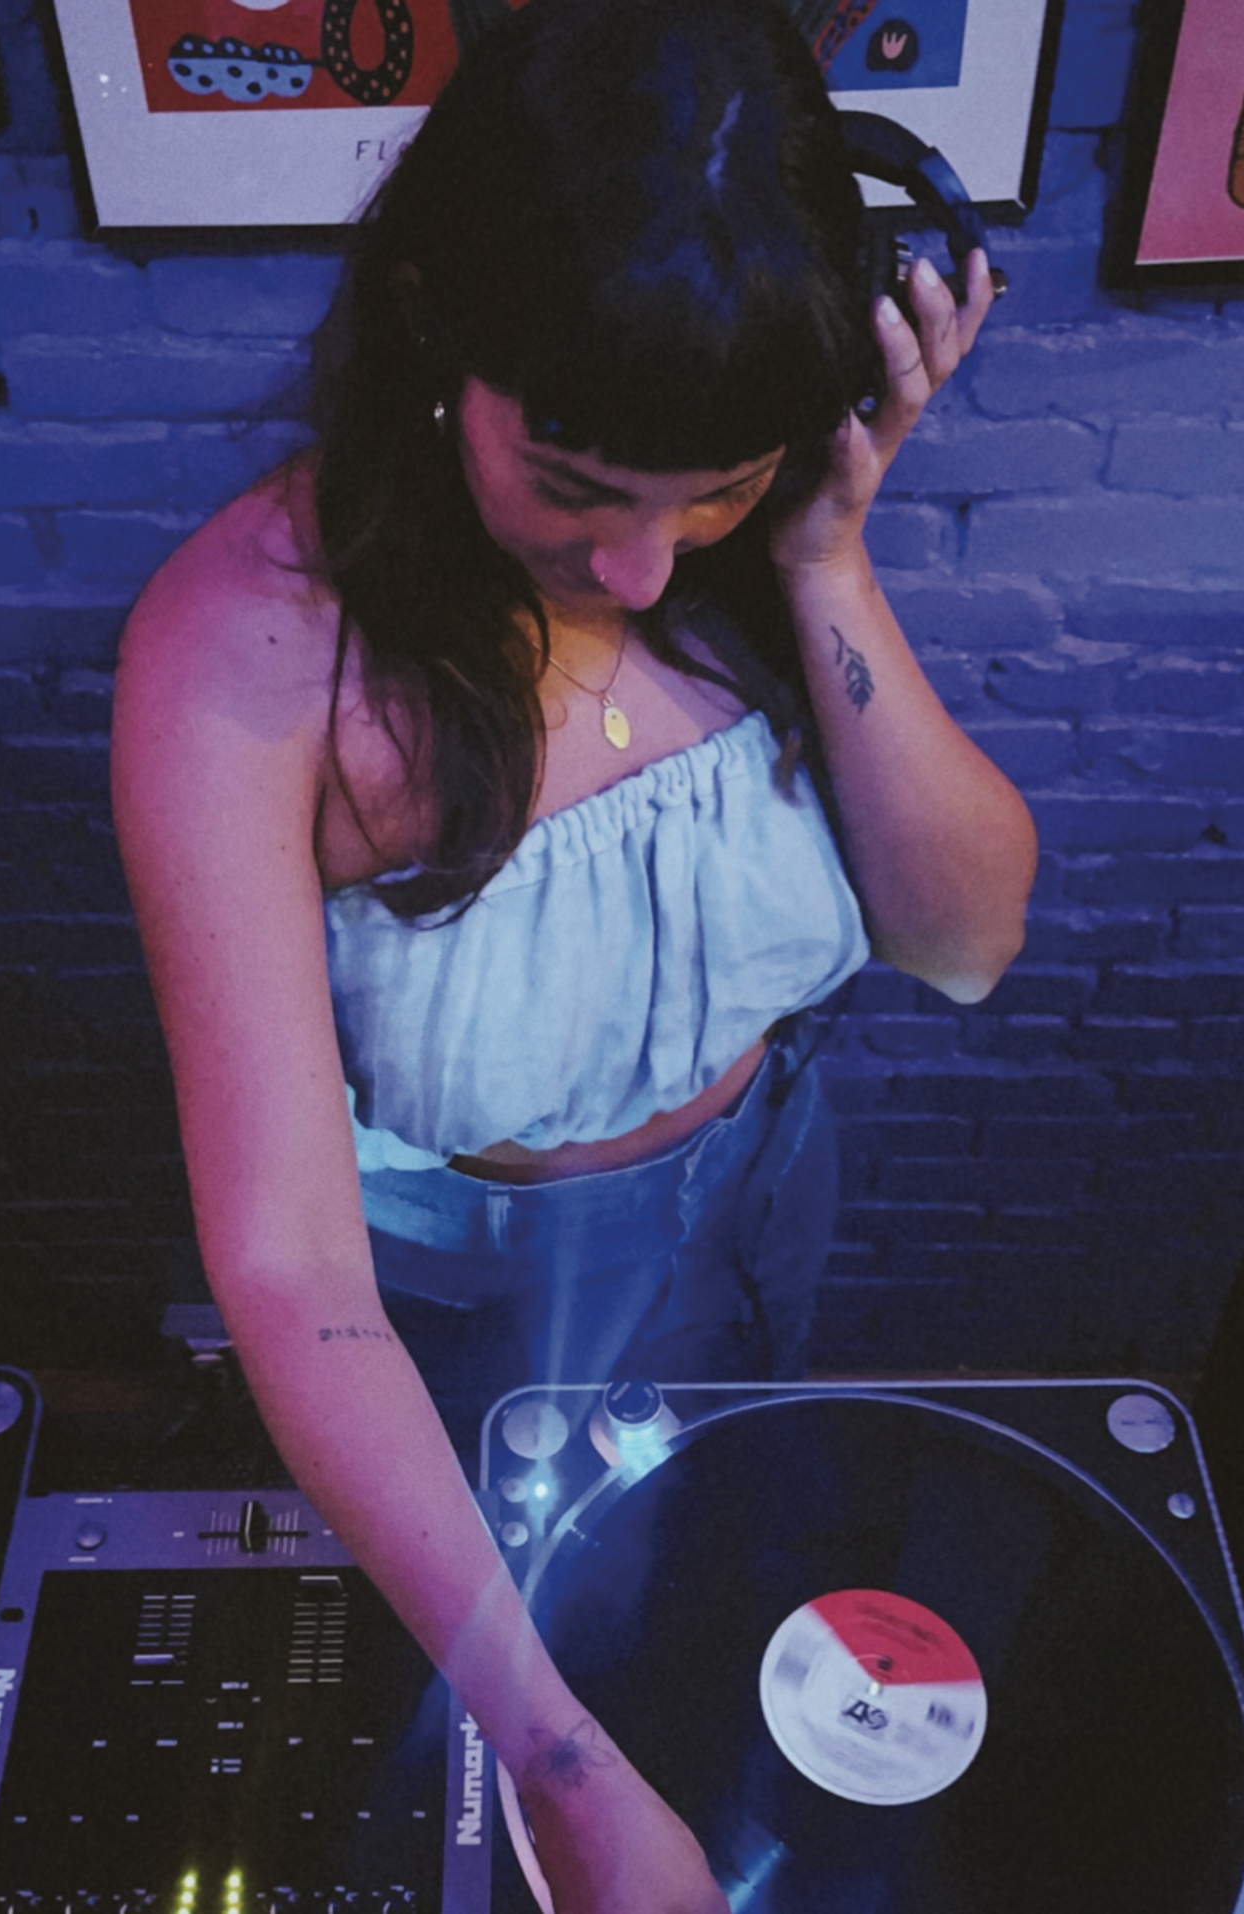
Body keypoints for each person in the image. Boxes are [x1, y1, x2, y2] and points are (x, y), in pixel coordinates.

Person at [112, 1, 1038, 1907]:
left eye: (712, 484)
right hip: (452, 1314)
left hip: (760, 1205)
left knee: (712, 1616)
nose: (641, 567)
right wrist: (555, 1762)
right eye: (576, 482)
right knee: (498, 1707)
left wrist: (820, 547)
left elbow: (966, 944)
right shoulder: (247, 653)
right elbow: (291, 1268)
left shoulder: (762, 543)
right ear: (442, 333)